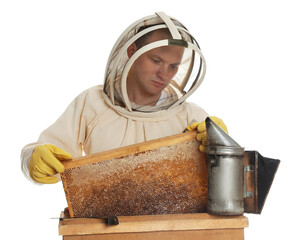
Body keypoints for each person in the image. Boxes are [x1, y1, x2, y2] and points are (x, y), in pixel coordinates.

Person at [21, 12, 228, 184]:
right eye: (156, 60)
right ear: (132, 52)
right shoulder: (92, 104)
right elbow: (48, 152)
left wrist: (221, 145)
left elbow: (225, 175)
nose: (164, 74)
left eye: (173, 66)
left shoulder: (191, 116)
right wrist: (34, 159)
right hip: (106, 228)